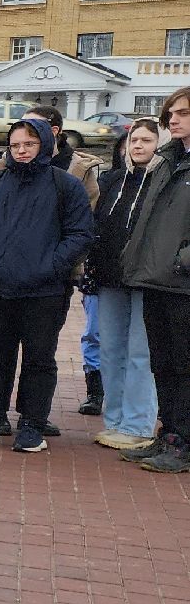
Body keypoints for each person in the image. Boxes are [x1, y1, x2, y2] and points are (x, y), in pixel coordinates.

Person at [0, 118, 94, 452]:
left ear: (44, 144)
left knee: (39, 360)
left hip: (44, 291)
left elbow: (80, 234)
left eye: (29, 144)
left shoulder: (65, 185)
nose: (21, 151)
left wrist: (52, 266)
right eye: (15, 145)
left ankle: (32, 425)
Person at [120, 89, 190, 472]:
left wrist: (182, 261)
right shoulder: (167, 160)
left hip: (182, 281)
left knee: (184, 365)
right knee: (162, 363)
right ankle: (170, 435)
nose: (173, 120)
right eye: (170, 114)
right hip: (154, 277)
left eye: (183, 113)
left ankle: (184, 443)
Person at [87, 119, 165, 451]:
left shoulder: (165, 181)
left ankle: (137, 424)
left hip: (147, 278)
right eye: (134, 140)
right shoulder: (113, 180)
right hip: (109, 276)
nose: (138, 146)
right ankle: (115, 420)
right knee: (111, 349)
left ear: (160, 144)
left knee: (140, 353)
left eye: (147, 140)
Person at [27, 105, 109, 416]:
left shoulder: (79, 171)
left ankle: (35, 416)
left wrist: (59, 262)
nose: (23, 136)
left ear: (54, 131)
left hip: (56, 271)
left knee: (42, 348)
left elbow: (84, 223)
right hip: (10, 269)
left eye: (33, 128)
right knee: (0, 348)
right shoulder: (7, 164)